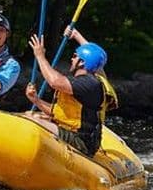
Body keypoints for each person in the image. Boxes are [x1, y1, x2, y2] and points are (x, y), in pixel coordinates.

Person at [24, 26, 118, 157]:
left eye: (75, 56)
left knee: (30, 120)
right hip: (70, 131)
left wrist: (40, 56)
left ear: (81, 62)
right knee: (31, 114)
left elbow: (54, 82)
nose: (71, 59)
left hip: (81, 141)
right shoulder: (87, 81)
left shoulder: (89, 84)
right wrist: (36, 100)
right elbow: (58, 113)